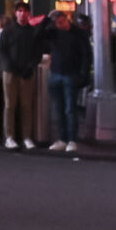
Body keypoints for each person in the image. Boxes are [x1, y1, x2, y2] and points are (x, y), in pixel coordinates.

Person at [0, 1, 45, 150]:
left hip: (26, 73)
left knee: (26, 105)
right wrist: (8, 64)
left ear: (28, 13)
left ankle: (26, 136)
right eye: (19, 11)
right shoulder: (8, 31)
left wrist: (30, 66)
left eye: (25, 11)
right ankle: (9, 136)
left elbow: (37, 52)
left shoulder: (33, 32)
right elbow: (1, 50)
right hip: (10, 72)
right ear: (15, 13)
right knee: (9, 105)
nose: (22, 14)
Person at [42, 11, 92, 153]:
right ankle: (63, 138)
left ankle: (71, 139)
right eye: (57, 23)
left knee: (70, 109)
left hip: (70, 74)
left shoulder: (78, 34)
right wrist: (47, 19)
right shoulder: (54, 33)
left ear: (66, 19)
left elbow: (86, 55)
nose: (60, 25)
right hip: (57, 73)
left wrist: (83, 74)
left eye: (62, 21)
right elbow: (38, 34)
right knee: (59, 108)